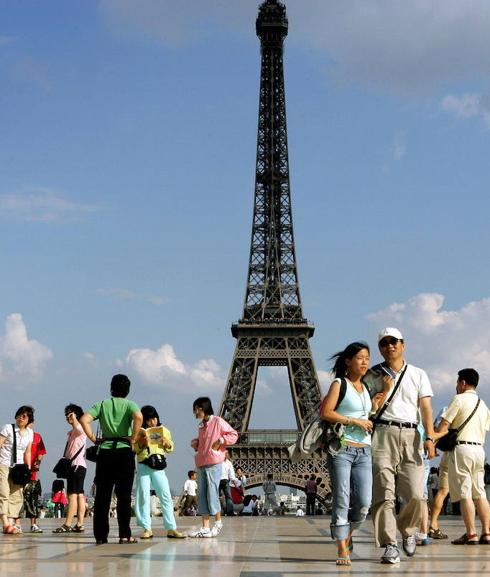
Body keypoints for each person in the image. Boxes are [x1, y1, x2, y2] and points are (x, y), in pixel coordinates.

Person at [364, 328, 435, 564]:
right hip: (383, 433)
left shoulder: (418, 374)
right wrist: (383, 391)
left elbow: (425, 407)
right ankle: (390, 544)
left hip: (411, 434)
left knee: (415, 493)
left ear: (403, 344)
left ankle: (408, 531)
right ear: (380, 348)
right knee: (384, 493)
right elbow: (368, 409)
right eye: (384, 343)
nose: (389, 346)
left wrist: (430, 437)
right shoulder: (372, 375)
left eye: (393, 342)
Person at [321, 341, 378, 566]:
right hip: (342, 449)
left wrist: (372, 407)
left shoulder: (365, 389)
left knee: (364, 502)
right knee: (342, 498)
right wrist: (353, 420)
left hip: (364, 450)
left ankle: (348, 534)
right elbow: (326, 412)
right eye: (360, 358)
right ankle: (342, 547)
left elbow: (365, 414)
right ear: (348, 361)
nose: (365, 362)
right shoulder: (339, 384)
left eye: (367, 357)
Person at [80, 374, 143, 544]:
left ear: (111, 387)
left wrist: (93, 437)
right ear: (128, 390)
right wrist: (133, 438)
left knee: (102, 496)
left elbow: (84, 419)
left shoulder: (102, 404)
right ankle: (124, 534)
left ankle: (101, 536)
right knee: (124, 496)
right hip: (124, 451)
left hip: (106, 452)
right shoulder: (130, 404)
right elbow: (138, 417)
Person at [434, 368, 490, 545]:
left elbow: (443, 426)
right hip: (479, 450)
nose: (456, 386)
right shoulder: (483, 404)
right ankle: (487, 533)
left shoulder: (458, 399)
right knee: (480, 492)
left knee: (465, 493)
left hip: (462, 449)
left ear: (463, 383)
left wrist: (432, 438)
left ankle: (471, 533)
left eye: (457, 382)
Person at [188, 396, 238, 538]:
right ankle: (205, 527)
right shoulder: (201, 425)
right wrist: (196, 443)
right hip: (202, 462)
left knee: (212, 493)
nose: (195, 412)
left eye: (196, 409)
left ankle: (218, 523)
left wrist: (220, 441)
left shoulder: (218, 421)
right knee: (202, 495)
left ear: (202, 408)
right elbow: (204, 441)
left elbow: (234, 435)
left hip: (214, 462)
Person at [134, 405, 185, 539]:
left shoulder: (164, 431)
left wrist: (166, 443)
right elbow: (135, 449)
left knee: (165, 496)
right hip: (143, 464)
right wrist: (141, 443)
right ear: (145, 421)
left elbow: (170, 448)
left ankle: (171, 528)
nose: (153, 422)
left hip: (158, 466)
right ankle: (146, 528)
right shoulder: (139, 432)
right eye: (150, 420)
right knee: (143, 496)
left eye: (154, 418)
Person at [53, 404, 87, 533]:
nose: (68, 417)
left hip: (77, 466)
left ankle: (67, 524)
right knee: (79, 496)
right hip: (79, 466)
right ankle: (79, 524)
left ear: (77, 415)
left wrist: (75, 419)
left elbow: (78, 426)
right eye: (66, 415)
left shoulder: (80, 429)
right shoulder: (73, 432)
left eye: (70, 414)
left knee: (72, 495)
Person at [0, 406, 34, 535]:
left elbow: (28, 452)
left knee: (16, 495)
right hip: (4, 464)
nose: (21, 418)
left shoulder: (30, 433)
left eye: (24, 416)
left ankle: (10, 522)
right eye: (19, 415)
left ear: (29, 419)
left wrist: (28, 469)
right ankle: (6, 523)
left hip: (19, 468)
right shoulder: (8, 428)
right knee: (3, 492)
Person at [19, 421, 46, 533]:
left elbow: (41, 452)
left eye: (30, 422)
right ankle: (16, 524)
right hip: (18, 472)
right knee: (18, 498)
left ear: (33, 423)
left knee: (32, 499)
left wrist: (38, 462)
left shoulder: (37, 437)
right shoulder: (17, 435)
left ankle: (33, 524)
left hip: (32, 473)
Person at [219, 451, 236, 516]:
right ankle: (219, 512)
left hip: (225, 480)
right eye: (225, 454)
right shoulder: (218, 461)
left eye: (227, 454)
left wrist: (233, 480)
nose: (226, 455)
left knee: (229, 496)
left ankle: (230, 511)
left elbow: (231, 472)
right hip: (218, 480)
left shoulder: (229, 463)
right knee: (217, 497)